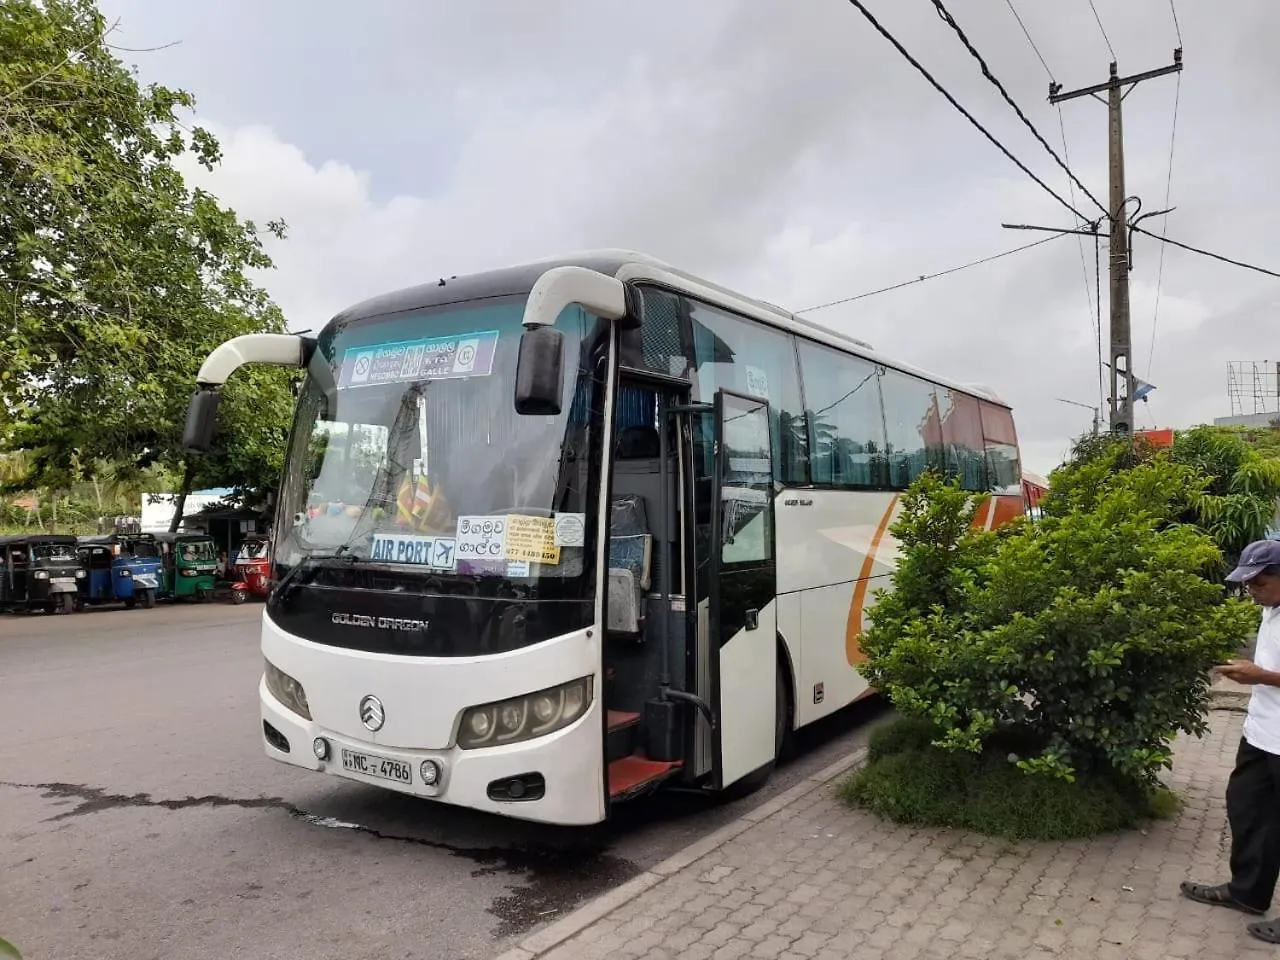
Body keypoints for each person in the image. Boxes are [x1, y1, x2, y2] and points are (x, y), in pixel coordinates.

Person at [1181, 539, 1280, 945]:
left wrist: (1260, 675)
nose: (1251, 590)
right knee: (1247, 809)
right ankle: (1248, 893)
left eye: (1258, 582)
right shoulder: (1271, 610)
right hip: (1262, 733)